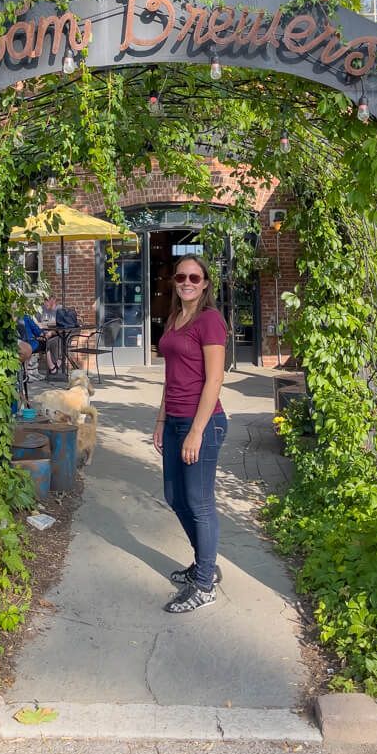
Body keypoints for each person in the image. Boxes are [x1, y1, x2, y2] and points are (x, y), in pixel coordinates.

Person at [153, 255, 228, 614]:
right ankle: (206, 565)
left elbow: (214, 379)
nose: (187, 282)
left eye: (194, 277)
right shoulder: (174, 318)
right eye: (181, 276)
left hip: (203, 423)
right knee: (175, 497)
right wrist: (161, 420)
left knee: (199, 502)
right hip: (175, 422)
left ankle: (204, 585)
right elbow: (172, 377)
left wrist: (196, 431)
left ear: (205, 283)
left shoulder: (210, 321)